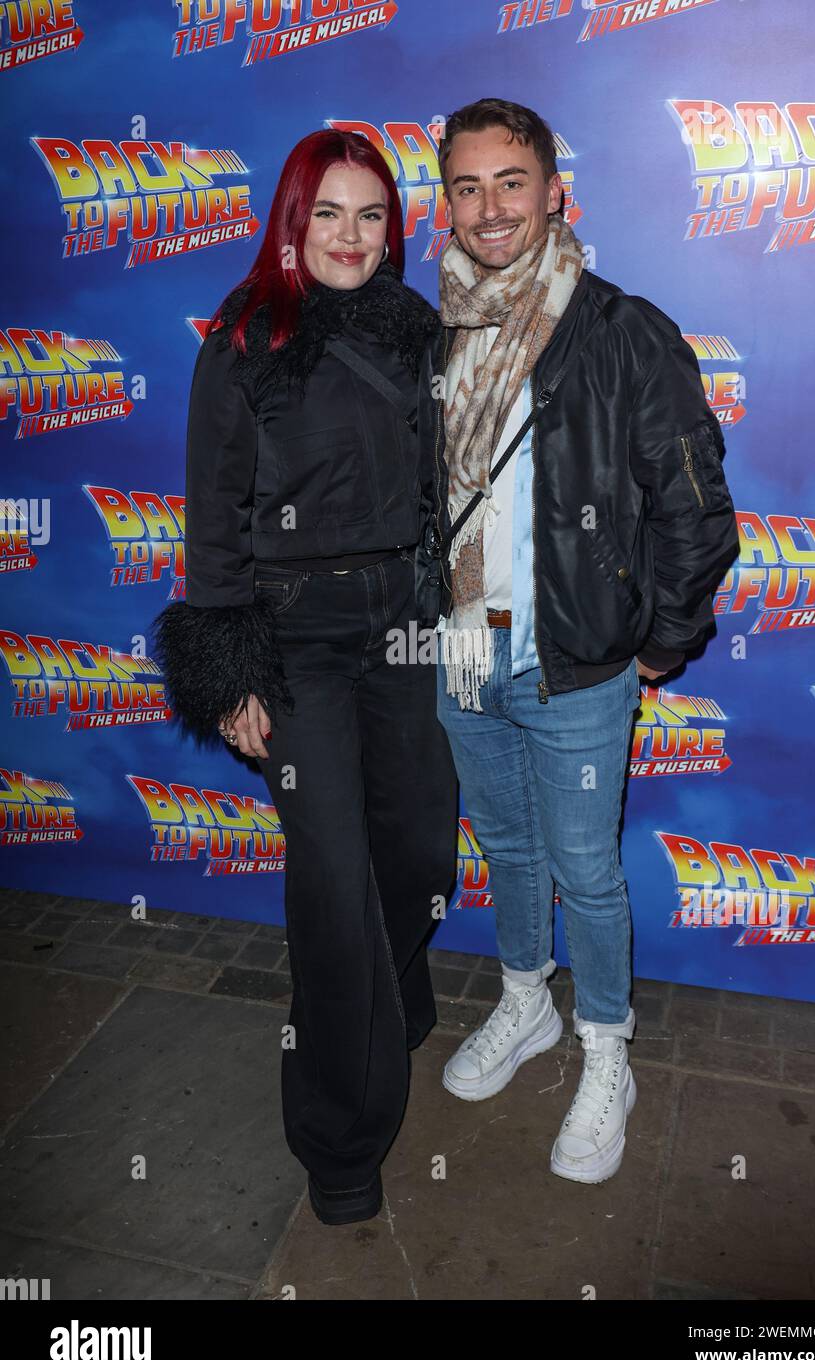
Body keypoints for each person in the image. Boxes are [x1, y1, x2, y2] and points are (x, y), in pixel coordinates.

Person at [415, 97, 740, 1184]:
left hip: (577, 659)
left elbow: (695, 504)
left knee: (588, 874)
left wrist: (661, 640)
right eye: (466, 185)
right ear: (445, 201)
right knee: (505, 850)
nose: (489, 206)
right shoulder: (432, 333)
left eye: (511, 181)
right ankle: (524, 1003)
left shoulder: (618, 328)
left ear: (553, 190)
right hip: (463, 651)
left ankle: (607, 1047)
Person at [152, 129, 459, 1226]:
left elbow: (454, 489)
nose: (349, 235)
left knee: (421, 846)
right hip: (295, 645)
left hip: (407, 629)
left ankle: (388, 995)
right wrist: (230, 671)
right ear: (291, 220)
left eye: (371, 214)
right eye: (327, 212)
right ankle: (340, 1145)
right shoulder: (244, 338)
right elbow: (210, 521)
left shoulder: (415, 328)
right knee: (332, 887)